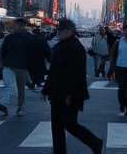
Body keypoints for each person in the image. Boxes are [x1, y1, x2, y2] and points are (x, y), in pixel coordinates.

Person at [42, 19, 103, 154]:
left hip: (69, 93)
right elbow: (53, 71)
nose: (58, 33)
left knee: (69, 124)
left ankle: (94, 142)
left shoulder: (75, 48)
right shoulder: (61, 46)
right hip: (57, 92)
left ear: (69, 31)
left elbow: (76, 75)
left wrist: (70, 94)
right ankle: (59, 151)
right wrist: (46, 90)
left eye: (61, 31)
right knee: (57, 125)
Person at [0, 17, 32, 116]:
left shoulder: (29, 38)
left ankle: (20, 107)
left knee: (21, 89)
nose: (19, 27)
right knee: (8, 85)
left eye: (21, 25)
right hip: (9, 65)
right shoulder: (9, 37)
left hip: (22, 67)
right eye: (17, 24)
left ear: (24, 26)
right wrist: (2, 63)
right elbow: (2, 51)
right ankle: (4, 104)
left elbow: (32, 54)